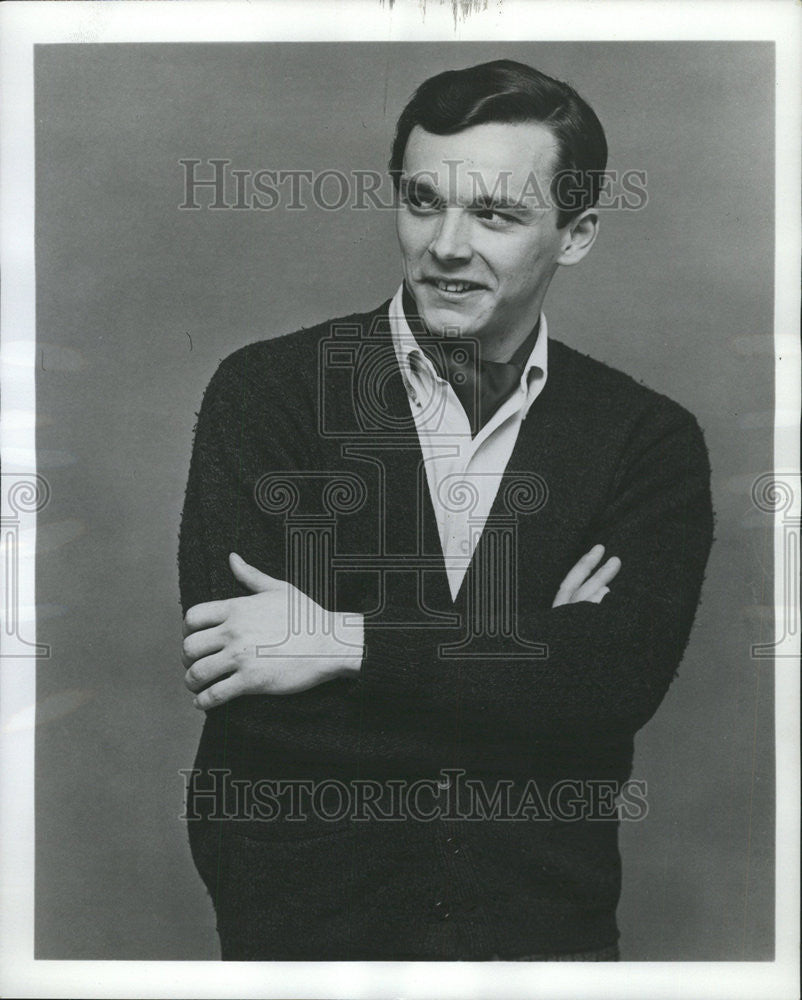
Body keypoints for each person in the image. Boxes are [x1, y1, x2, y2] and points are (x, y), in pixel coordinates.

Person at [178, 59, 714, 961]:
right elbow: (254, 697)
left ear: (576, 232)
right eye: (424, 202)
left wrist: (342, 642)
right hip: (309, 935)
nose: (447, 245)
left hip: (543, 934)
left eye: (497, 214)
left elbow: (615, 684)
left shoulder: (645, 438)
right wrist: (531, 654)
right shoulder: (268, 394)